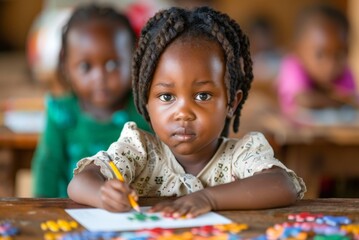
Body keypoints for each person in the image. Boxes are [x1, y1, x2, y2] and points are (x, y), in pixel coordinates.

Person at [68, 6, 306, 218]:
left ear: (232, 103)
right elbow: (79, 183)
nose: (183, 113)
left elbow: (282, 185)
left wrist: (208, 198)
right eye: (166, 97)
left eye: (202, 96)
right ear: (146, 101)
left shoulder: (240, 156)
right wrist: (102, 194)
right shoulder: (137, 151)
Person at [31, 4, 151, 198]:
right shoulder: (61, 114)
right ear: (65, 63)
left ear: (133, 58)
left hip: (134, 215)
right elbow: (47, 170)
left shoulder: (147, 110)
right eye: (86, 66)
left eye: (112, 64)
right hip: (71, 217)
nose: (100, 77)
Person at [277, 4, 359, 118]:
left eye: (340, 54)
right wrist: (340, 102)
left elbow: (353, 101)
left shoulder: (345, 72)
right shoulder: (292, 66)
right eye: (320, 54)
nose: (331, 64)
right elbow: (304, 100)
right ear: (297, 50)